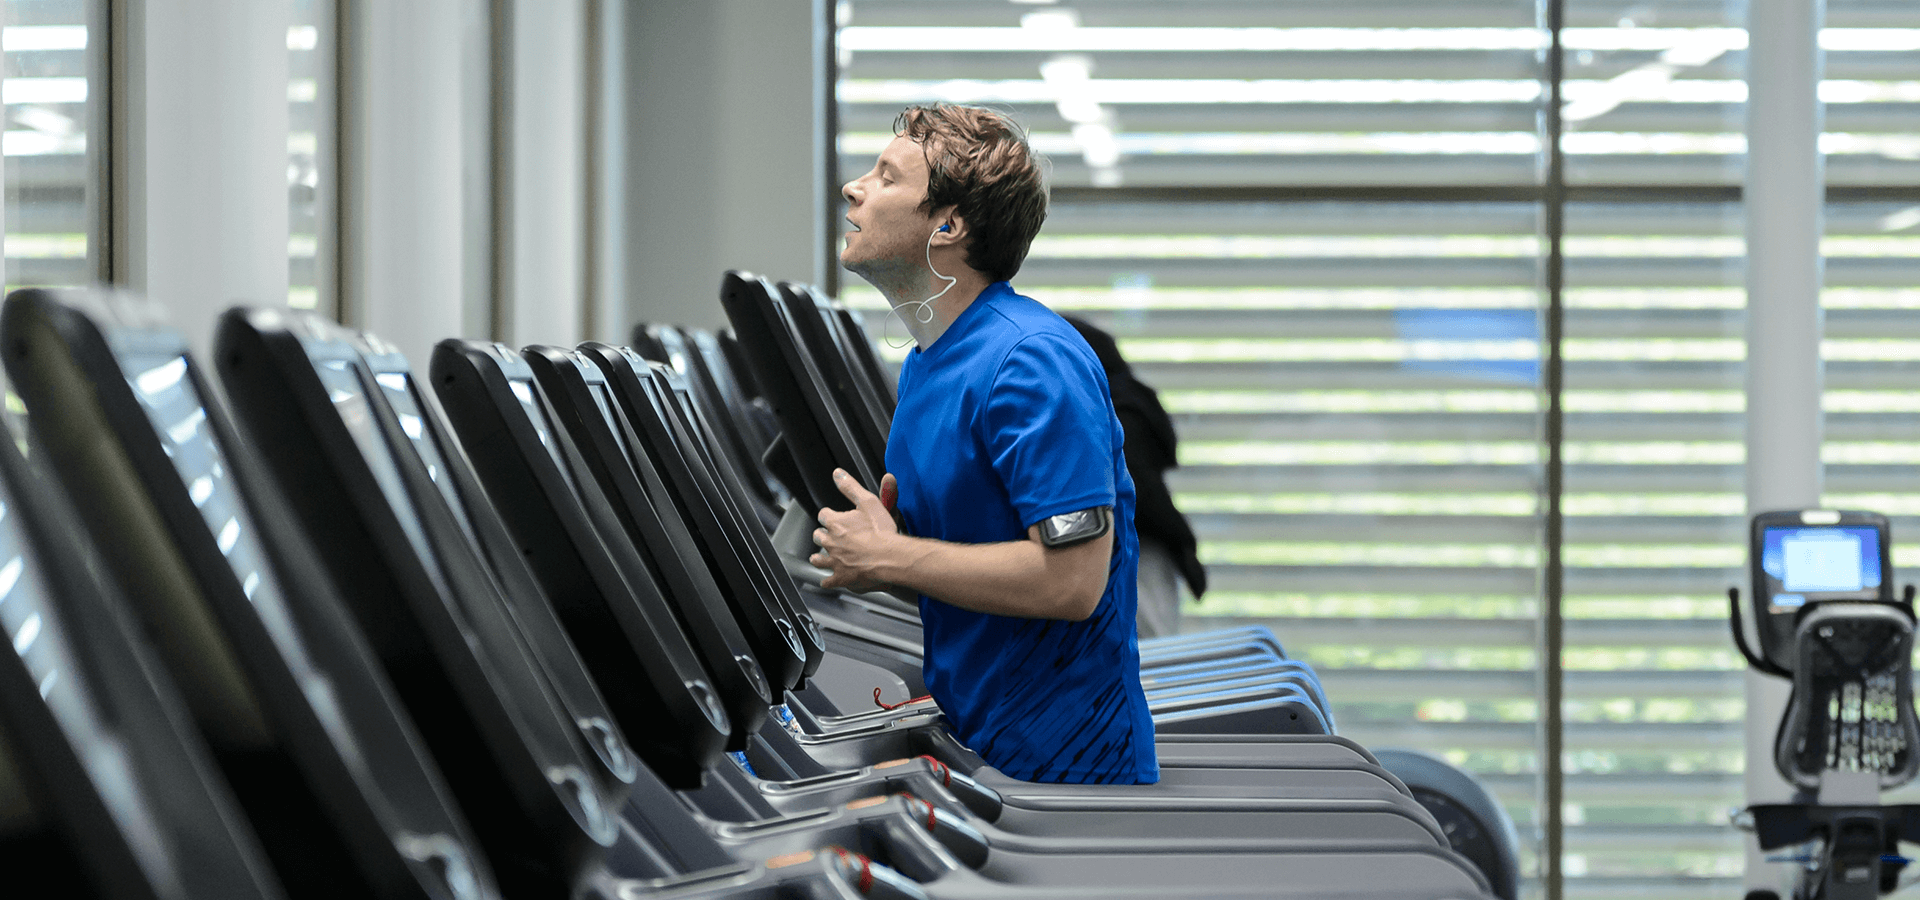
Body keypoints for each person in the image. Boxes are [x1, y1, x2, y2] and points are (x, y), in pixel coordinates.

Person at [809, 104, 1157, 785]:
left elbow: (1074, 581)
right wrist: (889, 555)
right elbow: (971, 562)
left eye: (886, 178)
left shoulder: (1030, 360)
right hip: (981, 745)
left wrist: (897, 555)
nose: (854, 188)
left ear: (948, 224)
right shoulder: (928, 362)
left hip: (1064, 771)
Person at [1062, 316, 1207, 639]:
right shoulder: (1128, 402)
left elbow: (1137, 492)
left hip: (1131, 554)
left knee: (1148, 658)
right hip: (1142, 553)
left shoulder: (1111, 414)